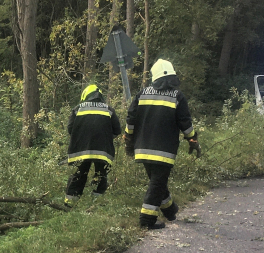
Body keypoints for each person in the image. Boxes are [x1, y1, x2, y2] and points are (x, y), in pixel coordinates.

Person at [124, 59, 199, 229]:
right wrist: (193, 139)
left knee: (157, 181)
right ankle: (146, 220)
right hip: (164, 150)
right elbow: (185, 124)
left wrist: (128, 139)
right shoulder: (177, 96)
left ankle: (170, 210)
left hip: (142, 148)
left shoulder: (142, 94)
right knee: (157, 182)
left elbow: (131, 120)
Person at [65, 83, 122, 205]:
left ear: (86, 96)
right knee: (101, 175)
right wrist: (105, 138)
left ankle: (69, 204)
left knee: (80, 174)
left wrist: (82, 138)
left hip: (81, 150)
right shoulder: (108, 109)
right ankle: (96, 203)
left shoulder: (78, 109)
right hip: (103, 151)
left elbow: (70, 129)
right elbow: (117, 130)